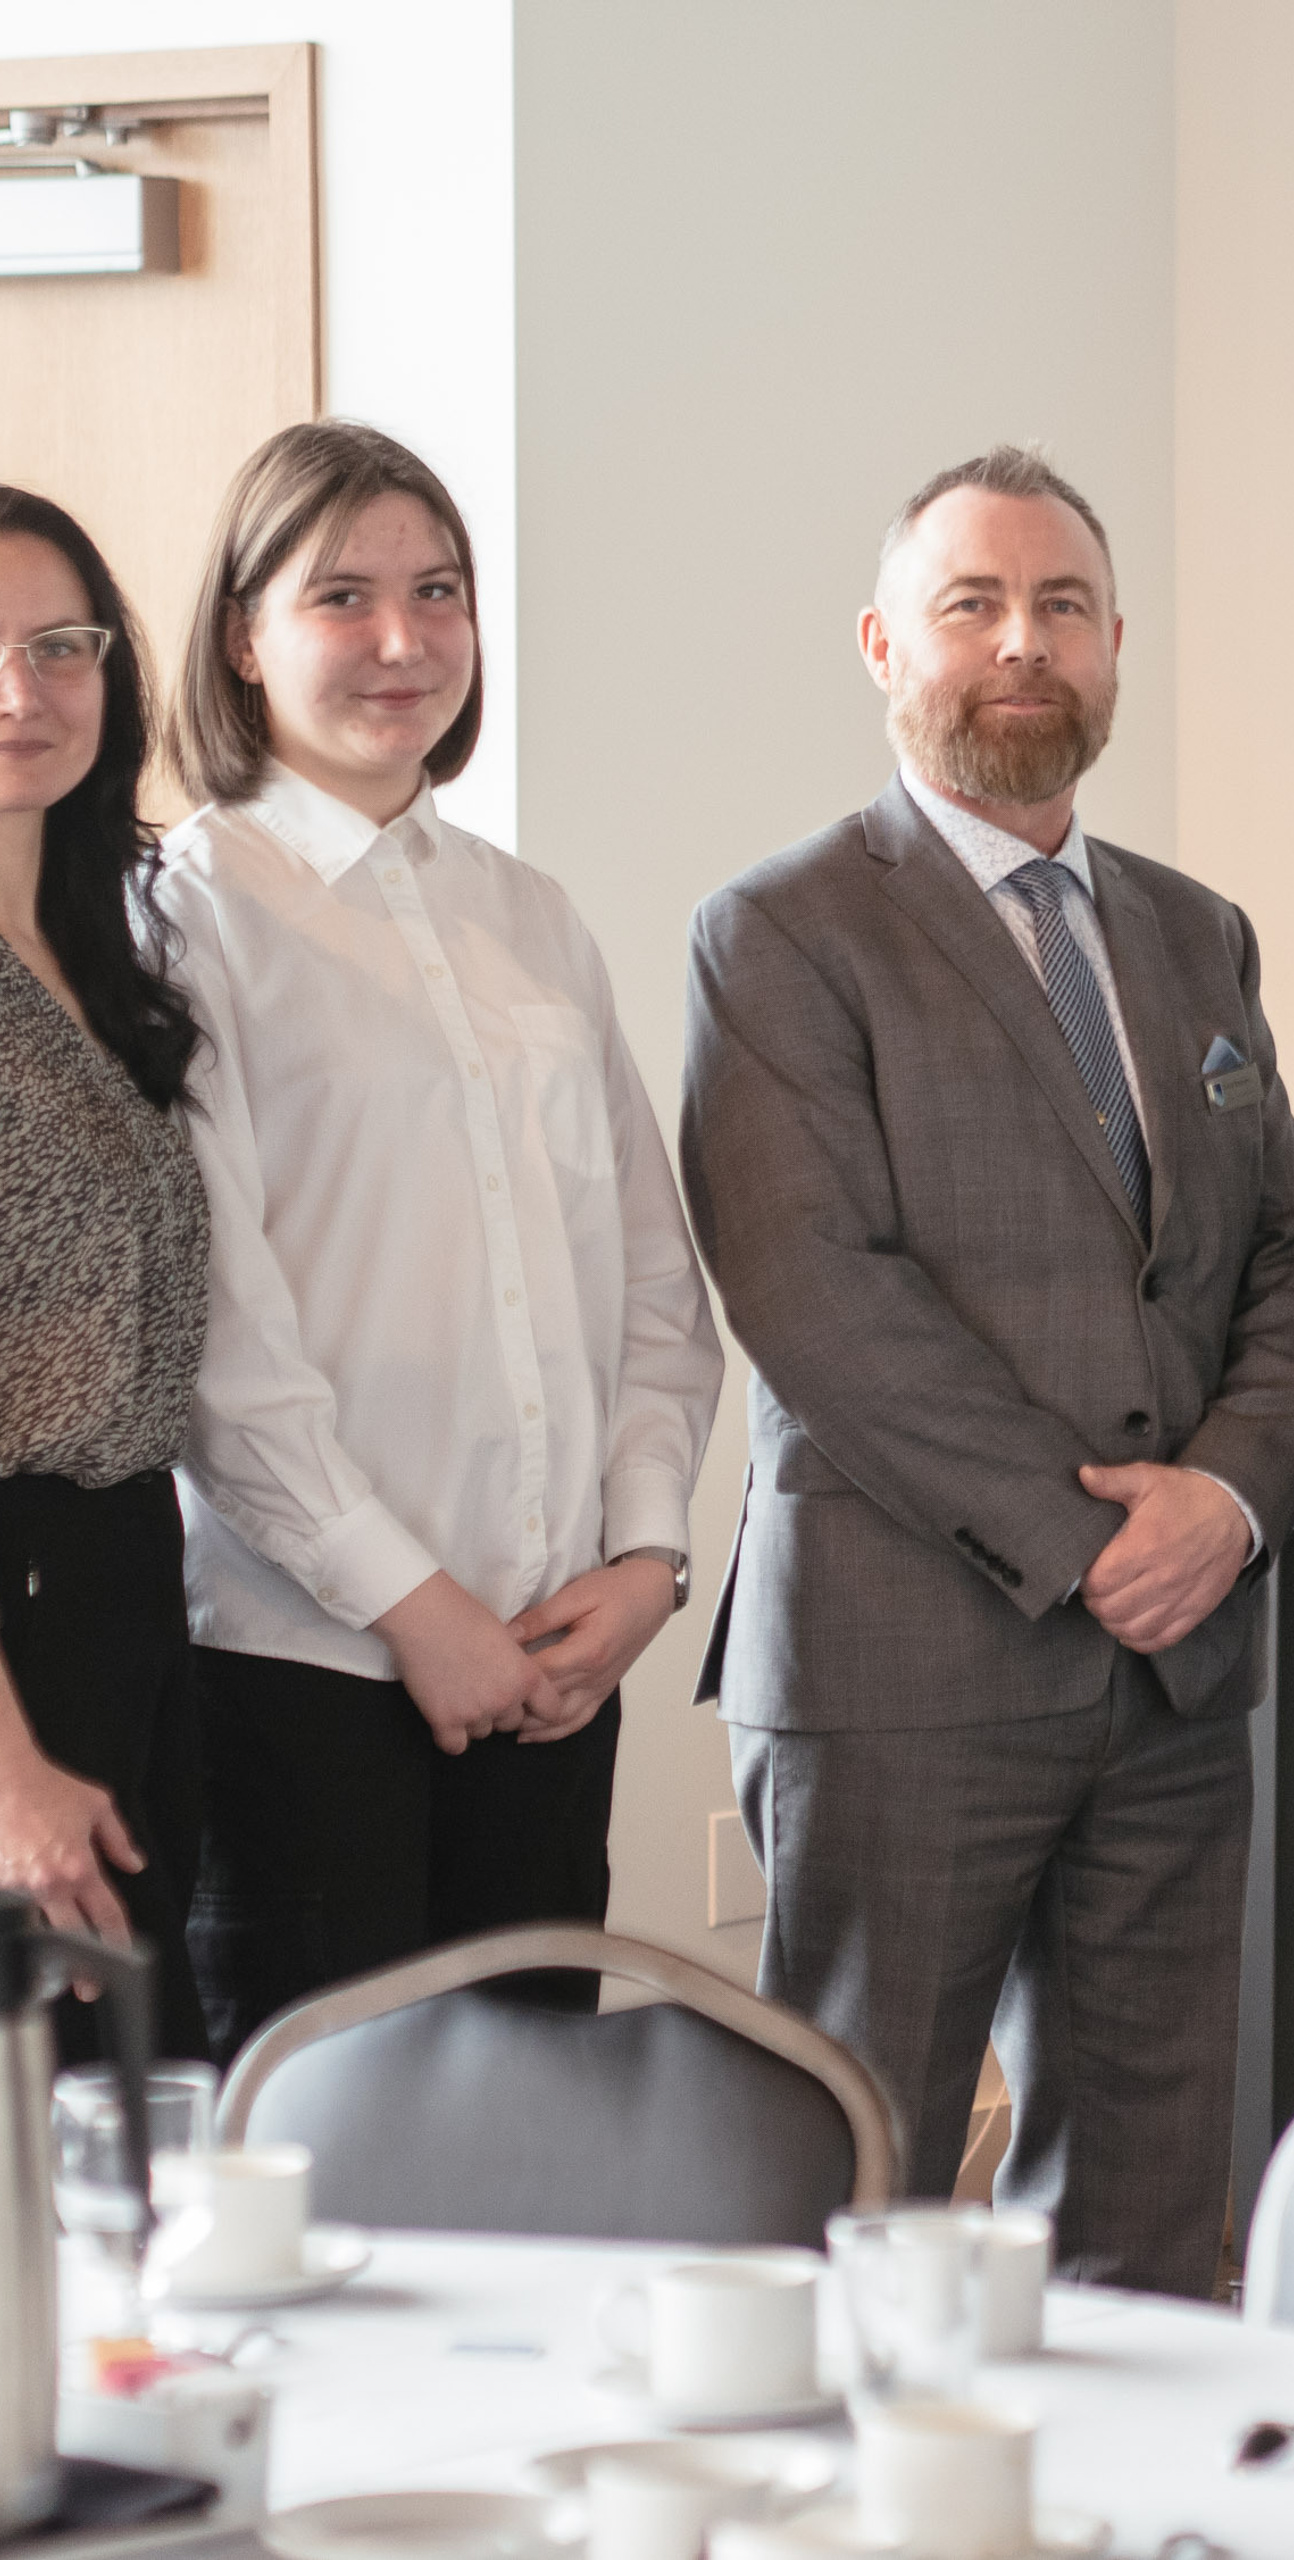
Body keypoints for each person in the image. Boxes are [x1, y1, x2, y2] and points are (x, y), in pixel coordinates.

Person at [682, 444, 1294, 2295]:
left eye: (1060, 607)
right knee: (844, 2174)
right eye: (972, 605)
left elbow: (1292, 1247)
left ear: (1116, 648)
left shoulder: (1189, 930)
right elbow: (816, 1299)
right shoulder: (783, 931)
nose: (1020, 643)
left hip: (1177, 1666)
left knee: (1141, 2207)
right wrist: (1088, 1544)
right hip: (907, 1662)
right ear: (888, 643)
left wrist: (1221, 1498)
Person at [162, 420, 722, 2061]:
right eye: (342, 595)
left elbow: (650, 1280)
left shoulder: (525, 912)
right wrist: (413, 1609)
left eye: (440, 591)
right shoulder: (188, 910)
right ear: (244, 639)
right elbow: (218, 1337)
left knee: (525, 2158)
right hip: (303, 1672)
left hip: (557, 1665)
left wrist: (641, 1561)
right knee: (321, 2191)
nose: (403, 641)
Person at [0, 489, 209, 2061]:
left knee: (131, 2124)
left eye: (58, 646)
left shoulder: (106, 950)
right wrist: (6, 1770)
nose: (24, 696)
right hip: (18, 1628)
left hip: (131, 1589)